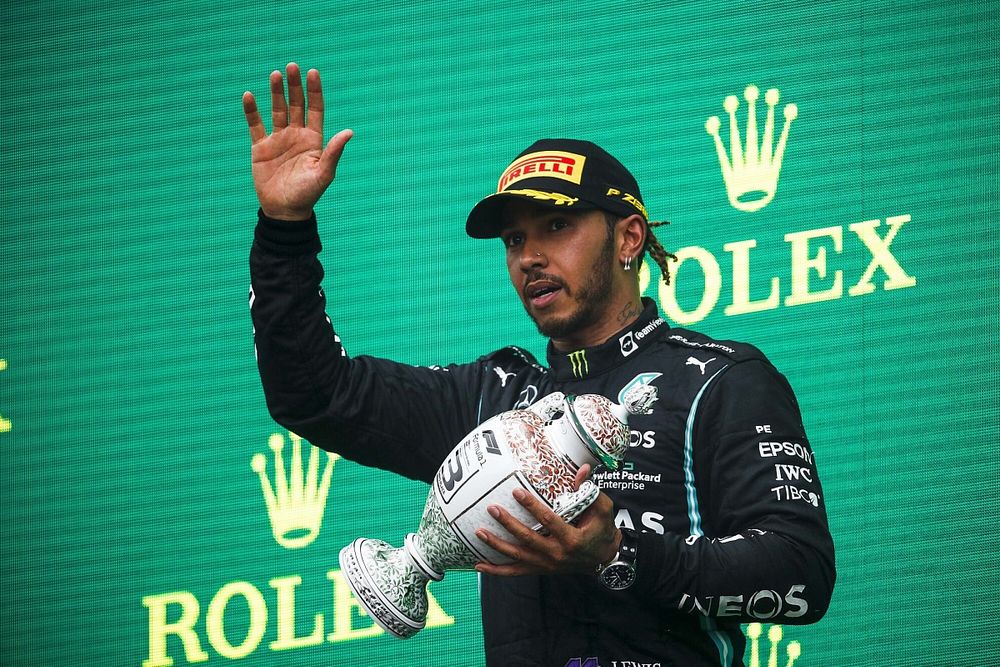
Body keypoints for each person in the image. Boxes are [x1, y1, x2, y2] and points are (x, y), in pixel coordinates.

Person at [243, 63, 835, 667]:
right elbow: (315, 394)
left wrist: (620, 552)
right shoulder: (490, 397)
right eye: (514, 240)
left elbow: (802, 574)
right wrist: (285, 230)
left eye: (556, 226)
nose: (530, 257)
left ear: (629, 238)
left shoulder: (717, 379)